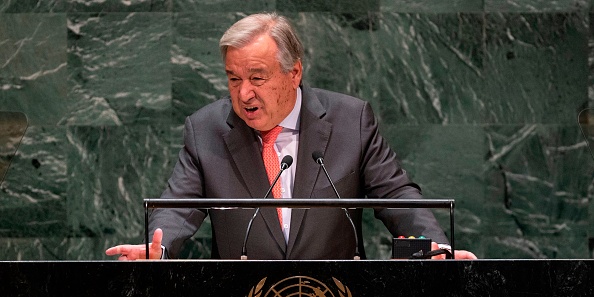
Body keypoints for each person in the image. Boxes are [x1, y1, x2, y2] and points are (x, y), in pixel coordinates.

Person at [106, 13, 476, 261]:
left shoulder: (350, 121)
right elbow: (177, 205)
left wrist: (436, 248)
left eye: (257, 77)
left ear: (294, 73)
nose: (244, 93)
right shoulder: (207, 130)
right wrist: (159, 246)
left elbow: (395, 195)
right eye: (234, 79)